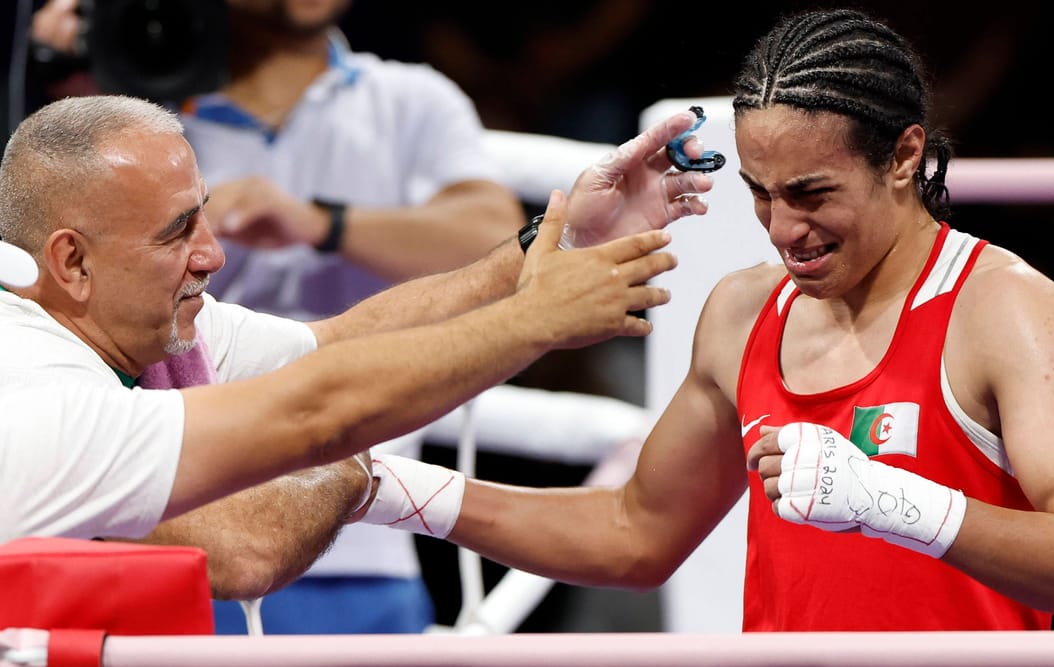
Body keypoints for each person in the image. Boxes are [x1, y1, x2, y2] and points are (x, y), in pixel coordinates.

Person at [418, 8, 1054, 631]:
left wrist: (891, 502)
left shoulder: (1002, 308)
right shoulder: (744, 312)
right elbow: (635, 532)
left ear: (904, 156)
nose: (782, 228)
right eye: (761, 193)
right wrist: (403, 494)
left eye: (810, 193)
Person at [0, 94, 714, 551]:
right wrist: (533, 321)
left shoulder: (143, 329)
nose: (213, 253)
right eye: (177, 232)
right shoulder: (35, 394)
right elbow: (246, 537)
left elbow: (344, 343)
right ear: (73, 262)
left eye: (205, 216)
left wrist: (548, 249)